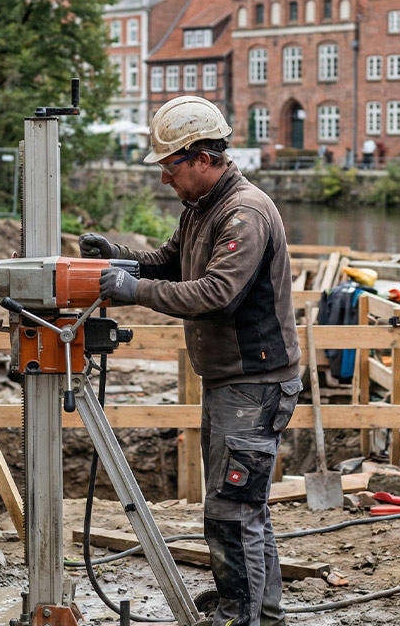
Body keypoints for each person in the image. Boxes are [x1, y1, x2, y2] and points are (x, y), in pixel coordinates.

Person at [79, 96, 302, 626]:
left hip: (255, 382)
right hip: (232, 381)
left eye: (168, 165)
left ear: (203, 157)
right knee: (242, 503)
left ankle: (243, 615)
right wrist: (119, 258)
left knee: (232, 508)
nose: (163, 179)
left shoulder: (243, 214)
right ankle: (256, 606)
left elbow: (216, 293)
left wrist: (133, 290)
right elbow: (172, 261)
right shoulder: (203, 208)